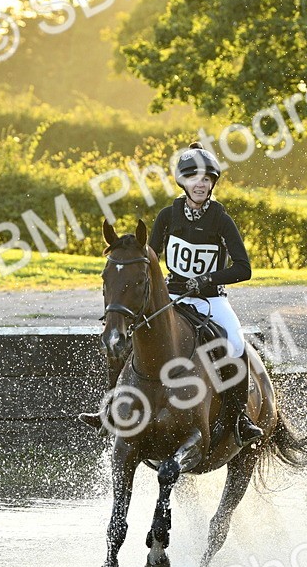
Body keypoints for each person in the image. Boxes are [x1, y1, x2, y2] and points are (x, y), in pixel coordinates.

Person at [83, 142, 263, 447]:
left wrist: (207, 279)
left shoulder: (220, 219)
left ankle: (239, 419)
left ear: (212, 184)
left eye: (207, 179)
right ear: (183, 182)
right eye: (194, 178)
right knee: (124, 339)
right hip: (173, 299)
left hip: (211, 300)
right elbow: (148, 259)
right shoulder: (169, 215)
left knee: (235, 344)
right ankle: (113, 409)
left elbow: (243, 269)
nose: (200, 184)